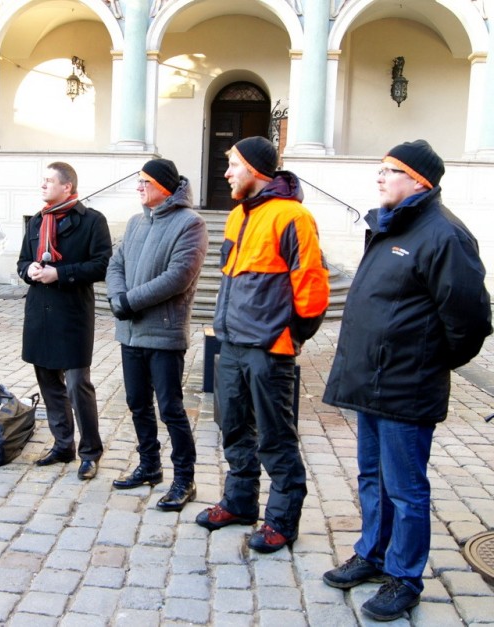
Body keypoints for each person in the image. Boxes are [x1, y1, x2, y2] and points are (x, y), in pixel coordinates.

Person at [321, 140, 491, 621]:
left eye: (389, 170)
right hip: (371, 382)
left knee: (406, 488)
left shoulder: (443, 234)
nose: (379, 177)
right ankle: (373, 555)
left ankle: (404, 577)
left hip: (405, 386)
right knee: (372, 477)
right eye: (379, 168)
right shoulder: (392, 223)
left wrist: (424, 362)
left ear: (419, 180)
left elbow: (470, 320)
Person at [197, 136, 330, 551]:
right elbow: (230, 277)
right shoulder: (238, 215)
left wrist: (296, 334)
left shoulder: (294, 216)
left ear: (254, 169)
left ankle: (282, 521)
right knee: (233, 425)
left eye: (232, 165)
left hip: (271, 348)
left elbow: (312, 283)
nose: (226, 172)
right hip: (233, 342)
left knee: (275, 437)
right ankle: (239, 502)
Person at [106, 158, 208, 512]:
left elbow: (179, 276)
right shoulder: (136, 223)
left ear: (164, 186)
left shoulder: (190, 224)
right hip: (130, 334)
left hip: (163, 333)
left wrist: (129, 301)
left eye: (144, 182)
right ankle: (149, 466)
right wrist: (117, 298)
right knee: (137, 404)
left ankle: (185, 478)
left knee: (171, 409)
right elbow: (115, 264)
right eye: (138, 181)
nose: (138, 187)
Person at [18, 162, 112, 481]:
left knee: (76, 385)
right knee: (48, 382)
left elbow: (101, 265)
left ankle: (90, 452)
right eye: (42, 180)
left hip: (72, 313)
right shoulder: (36, 221)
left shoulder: (92, 221)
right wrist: (28, 272)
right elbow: (21, 261)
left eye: (48, 181)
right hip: (40, 313)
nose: (42, 185)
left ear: (67, 187)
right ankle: (62, 445)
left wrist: (61, 272)